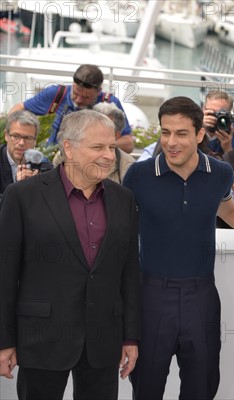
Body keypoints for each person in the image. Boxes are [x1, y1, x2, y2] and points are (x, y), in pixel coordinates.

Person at [0, 110, 141, 399]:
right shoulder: (22, 196)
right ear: (68, 148)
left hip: (102, 340)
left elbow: (128, 271)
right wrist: (4, 340)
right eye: (98, 147)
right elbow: (5, 273)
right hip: (41, 338)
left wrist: (129, 336)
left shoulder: (122, 199)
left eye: (112, 148)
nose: (109, 156)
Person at [123, 96, 234, 400]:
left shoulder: (220, 173)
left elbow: (229, 211)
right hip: (151, 295)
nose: (171, 142)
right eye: (165, 132)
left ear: (198, 135)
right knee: (147, 386)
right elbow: (119, 232)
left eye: (181, 133)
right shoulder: (138, 176)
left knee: (203, 385)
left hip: (202, 294)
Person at [9, 64, 135, 153]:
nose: (79, 100)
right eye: (75, 94)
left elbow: (128, 144)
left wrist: (99, 146)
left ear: (99, 91)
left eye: (85, 97)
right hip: (51, 162)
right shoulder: (56, 94)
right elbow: (17, 109)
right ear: (73, 84)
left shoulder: (110, 103)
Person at [137, 90, 234, 162]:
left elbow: (233, 173)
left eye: (221, 114)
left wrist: (228, 148)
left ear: (229, 114)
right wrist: (197, 124)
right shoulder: (189, 126)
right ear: (203, 109)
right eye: (211, 113)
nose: (216, 118)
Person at [52, 102, 135, 184]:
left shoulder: (128, 166)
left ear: (116, 135)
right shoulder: (63, 156)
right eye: (97, 147)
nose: (109, 156)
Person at [1, 110, 52, 195]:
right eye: (16, 136)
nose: (21, 143)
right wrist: (17, 187)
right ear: (6, 136)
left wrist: (36, 186)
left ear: (35, 141)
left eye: (28, 138)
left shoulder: (45, 167)